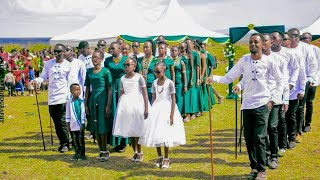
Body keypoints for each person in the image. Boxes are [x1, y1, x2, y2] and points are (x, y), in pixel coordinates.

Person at [206, 33, 285, 179]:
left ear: (262, 45)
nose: (253, 45)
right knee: (248, 138)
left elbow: (280, 81)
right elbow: (228, 77)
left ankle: (262, 170)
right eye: (251, 42)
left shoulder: (269, 61)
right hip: (247, 104)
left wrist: (273, 100)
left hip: (263, 104)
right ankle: (254, 168)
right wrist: (214, 78)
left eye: (256, 42)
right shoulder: (244, 60)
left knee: (259, 137)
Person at [139, 62, 186, 169]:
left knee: (165, 134)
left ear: (164, 71)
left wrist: (172, 114)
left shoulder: (170, 83)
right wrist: (151, 110)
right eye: (155, 72)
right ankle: (159, 156)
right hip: (157, 108)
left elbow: (173, 99)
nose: (156, 74)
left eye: (158, 72)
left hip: (166, 108)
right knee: (156, 132)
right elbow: (153, 97)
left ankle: (166, 157)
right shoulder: (155, 83)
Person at [31, 44, 71, 152]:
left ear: (64, 52)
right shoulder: (49, 64)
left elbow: (70, 82)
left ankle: (65, 144)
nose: (57, 54)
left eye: (59, 51)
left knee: (62, 121)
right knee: (56, 122)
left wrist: (69, 96)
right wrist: (37, 81)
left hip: (63, 96)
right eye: (55, 52)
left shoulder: (68, 65)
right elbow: (43, 76)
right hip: (52, 97)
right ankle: (63, 141)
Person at [112, 58, 150, 162]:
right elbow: (121, 94)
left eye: (128, 65)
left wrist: (146, 108)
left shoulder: (139, 77)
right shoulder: (123, 78)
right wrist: (120, 108)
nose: (126, 67)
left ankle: (140, 152)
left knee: (136, 130)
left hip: (137, 104)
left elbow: (145, 94)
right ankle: (135, 152)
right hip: (126, 105)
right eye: (124, 65)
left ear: (134, 65)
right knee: (130, 130)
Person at [271, 31, 300, 157]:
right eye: (270, 38)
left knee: (282, 118)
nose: (272, 40)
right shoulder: (267, 54)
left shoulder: (288, 53)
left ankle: (283, 144)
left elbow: (296, 68)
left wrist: (292, 83)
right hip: (272, 90)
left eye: (274, 38)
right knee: (272, 121)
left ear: (281, 40)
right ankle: (273, 144)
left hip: (285, 88)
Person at [288, 28, 317, 144]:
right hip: (288, 82)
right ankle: (289, 132)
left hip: (302, 81)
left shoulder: (306, 48)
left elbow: (313, 64)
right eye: (291, 35)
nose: (293, 37)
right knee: (288, 109)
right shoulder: (286, 47)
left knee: (300, 107)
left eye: (296, 35)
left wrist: (311, 78)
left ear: (299, 36)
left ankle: (298, 132)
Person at [85, 50, 112, 161]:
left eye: (96, 57)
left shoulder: (106, 71)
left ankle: (105, 150)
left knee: (102, 124)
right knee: (95, 125)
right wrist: (86, 104)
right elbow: (87, 88)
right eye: (93, 57)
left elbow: (109, 89)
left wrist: (108, 105)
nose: (94, 59)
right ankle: (100, 150)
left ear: (101, 59)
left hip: (103, 98)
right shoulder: (89, 71)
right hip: (93, 98)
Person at [104, 42, 129, 152]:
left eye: (113, 48)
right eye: (110, 49)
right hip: (111, 88)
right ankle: (115, 141)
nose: (111, 50)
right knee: (114, 115)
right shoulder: (107, 61)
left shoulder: (126, 60)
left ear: (119, 49)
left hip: (123, 87)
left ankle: (124, 142)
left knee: (123, 114)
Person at [300, 32, 320, 132]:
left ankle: (308, 123)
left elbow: (318, 67)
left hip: (312, 81)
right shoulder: (299, 49)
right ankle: (300, 125)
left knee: (309, 102)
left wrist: (314, 80)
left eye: (305, 38)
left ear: (310, 39)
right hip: (302, 81)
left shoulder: (316, 50)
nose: (303, 40)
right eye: (302, 38)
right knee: (300, 104)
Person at [66, 83, 87, 161]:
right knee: (74, 140)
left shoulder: (81, 101)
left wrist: (82, 123)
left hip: (79, 124)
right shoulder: (69, 102)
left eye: (79, 90)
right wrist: (68, 123)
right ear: (71, 91)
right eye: (76, 90)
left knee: (81, 140)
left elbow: (83, 113)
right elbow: (67, 113)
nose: (78, 91)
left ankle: (82, 154)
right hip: (72, 124)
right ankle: (76, 153)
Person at [185, 39, 200, 119]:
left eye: (190, 44)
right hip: (186, 75)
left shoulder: (195, 54)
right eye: (187, 44)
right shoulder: (184, 54)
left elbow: (198, 66)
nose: (188, 45)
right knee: (187, 94)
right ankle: (187, 112)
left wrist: (198, 78)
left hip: (193, 75)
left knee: (193, 94)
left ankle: (194, 112)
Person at [179, 42, 193, 122]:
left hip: (187, 75)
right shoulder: (179, 56)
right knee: (182, 96)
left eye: (182, 48)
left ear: (186, 48)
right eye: (180, 47)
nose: (181, 49)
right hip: (181, 76)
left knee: (187, 96)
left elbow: (192, 68)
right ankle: (181, 113)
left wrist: (191, 79)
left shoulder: (189, 56)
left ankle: (187, 114)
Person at [170, 46, 187, 113]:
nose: (174, 52)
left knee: (179, 99)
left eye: (175, 50)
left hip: (178, 83)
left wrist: (185, 85)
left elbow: (184, 74)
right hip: (170, 83)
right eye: (172, 50)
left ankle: (179, 115)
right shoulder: (169, 61)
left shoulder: (181, 62)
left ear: (178, 51)